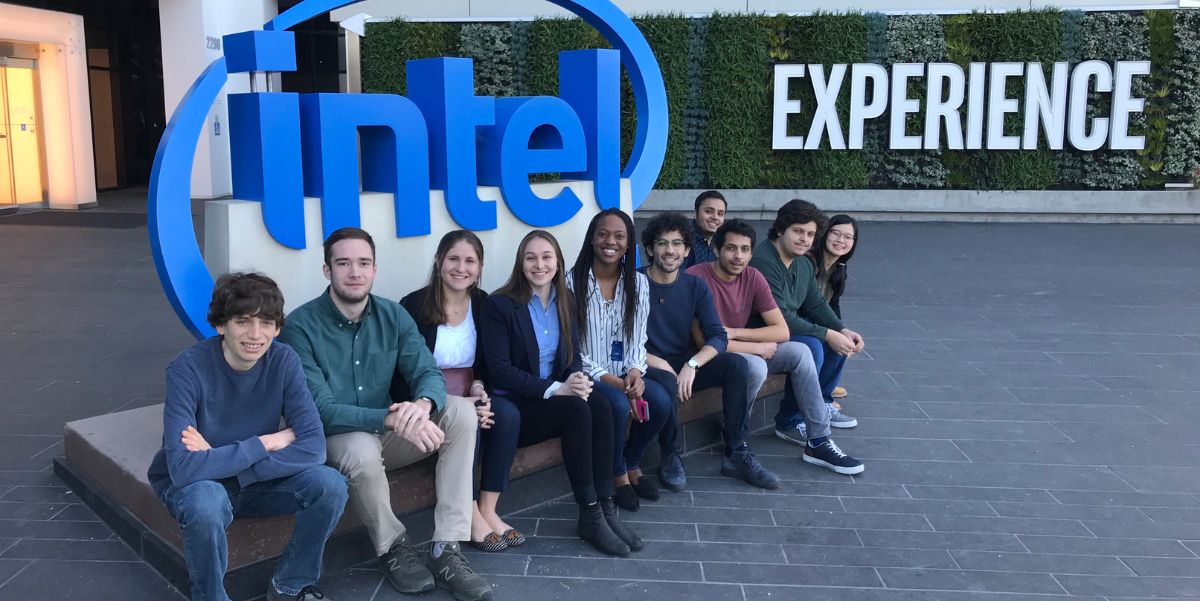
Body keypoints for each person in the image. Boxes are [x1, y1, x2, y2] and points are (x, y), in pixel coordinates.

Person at [278, 228, 492, 601]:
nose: (355, 272)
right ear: (327, 270)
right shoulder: (300, 326)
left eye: (363, 263)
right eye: (343, 263)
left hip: (388, 435)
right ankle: (392, 547)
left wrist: (422, 405)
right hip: (335, 438)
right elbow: (320, 411)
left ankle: (446, 547)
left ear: (375, 269)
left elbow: (427, 373)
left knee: (460, 412)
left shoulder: (393, 315)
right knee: (360, 447)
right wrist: (390, 418)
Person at [148, 272, 348, 601]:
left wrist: (219, 459)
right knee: (205, 503)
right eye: (243, 321)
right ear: (221, 325)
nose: (256, 334)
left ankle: (290, 585)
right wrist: (266, 443)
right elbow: (183, 468)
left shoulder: (284, 361)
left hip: (248, 480)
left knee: (330, 485)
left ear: (277, 328)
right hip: (198, 486)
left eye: (266, 322)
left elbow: (313, 448)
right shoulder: (187, 369)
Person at [479, 230, 642, 556]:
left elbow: (572, 355)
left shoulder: (565, 299)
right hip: (515, 404)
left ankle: (605, 506)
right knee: (577, 410)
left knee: (601, 404)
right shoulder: (499, 305)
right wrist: (558, 389)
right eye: (531, 258)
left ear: (557, 262)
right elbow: (498, 370)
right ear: (520, 263)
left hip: (551, 399)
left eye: (546, 257)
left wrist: (576, 379)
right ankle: (589, 513)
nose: (539, 265)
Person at [688, 219, 864, 476]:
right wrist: (757, 348)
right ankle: (737, 430)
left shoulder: (753, 276)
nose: (738, 257)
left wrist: (737, 333)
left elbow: (781, 331)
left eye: (745, 250)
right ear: (716, 249)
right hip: (706, 357)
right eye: (731, 248)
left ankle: (818, 441)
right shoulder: (697, 277)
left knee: (801, 352)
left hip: (738, 346)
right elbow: (703, 341)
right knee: (756, 366)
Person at [398, 230, 518, 553]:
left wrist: (479, 388)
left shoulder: (483, 303)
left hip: (471, 390)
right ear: (439, 261)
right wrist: (459, 403)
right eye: (453, 259)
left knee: (507, 415)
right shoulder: (413, 305)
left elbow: (490, 361)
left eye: (470, 261)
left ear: (479, 267)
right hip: (428, 399)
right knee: (468, 420)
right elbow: (403, 370)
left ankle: (489, 509)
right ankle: (471, 511)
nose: (461, 268)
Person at [636, 212, 775, 491]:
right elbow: (621, 340)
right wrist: (662, 366)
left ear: (687, 250)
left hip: (681, 361)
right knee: (667, 381)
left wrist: (693, 364)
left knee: (736, 365)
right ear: (650, 249)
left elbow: (717, 335)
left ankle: (737, 450)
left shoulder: (694, 285)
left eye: (677, 243)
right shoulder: (633, 282)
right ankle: (670, 453)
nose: (670, 250)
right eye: (662, 243)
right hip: (643, 363)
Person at [568, 208, 672, 512]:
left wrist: (636, 372)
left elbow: (638, 339)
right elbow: (573, 349)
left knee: (660, 401)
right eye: (602, 234)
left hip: (624, 372)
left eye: (619, 236)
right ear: (591, 239)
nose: (610, 241)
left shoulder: (638, 284)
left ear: (629, 244)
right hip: (588, 375)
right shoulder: (572, 283)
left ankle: (631, 462)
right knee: (615, 403)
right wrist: (612, 381)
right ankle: (618, 476)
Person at [749, 201, 865, 446]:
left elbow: (815, 303)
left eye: (810, 234)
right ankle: (789, 421)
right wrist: (826, 334)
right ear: (781, 229)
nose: (804, 239)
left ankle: (821, 403)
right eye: (798, 231)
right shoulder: (764, 261)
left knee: (836, 340)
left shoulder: (802, 263)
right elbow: (780, 316)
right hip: (759, 334)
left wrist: (841, 330)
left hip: (784, 331)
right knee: (812, 346)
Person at [807, 214, 859, 401]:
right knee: (829, 342)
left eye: (848, 237)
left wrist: (842, 329)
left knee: (843, 340)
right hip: (799, 321)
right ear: (824, 233)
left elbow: (833, 303)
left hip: (817, 320)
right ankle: (819, 393)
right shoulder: (808, 262)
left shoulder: (839, 267)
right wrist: (833, 332)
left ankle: (824, 392)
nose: (841, 240)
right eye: (836, 233)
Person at [681, 190, 727, 269]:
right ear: (695, 213)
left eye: (720, 214)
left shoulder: (720, 240)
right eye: (708, 211)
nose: (715, 217)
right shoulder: (684, 238)